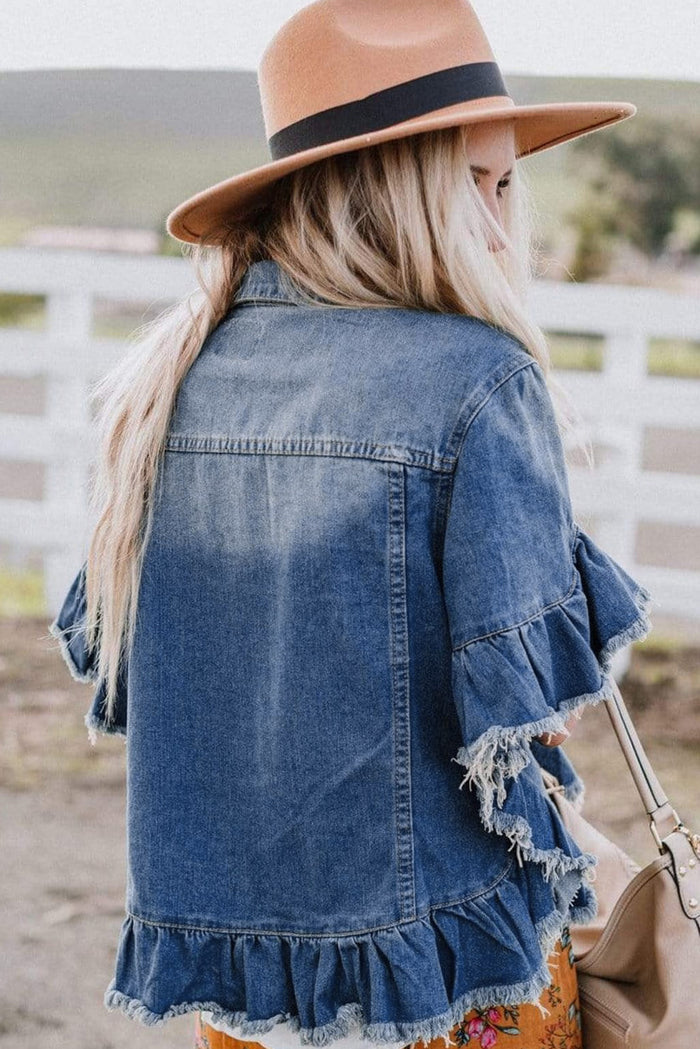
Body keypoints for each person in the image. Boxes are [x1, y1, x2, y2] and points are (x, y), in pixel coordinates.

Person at [47, 2, 653, 1049]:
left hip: (245, 999)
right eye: (481, 181)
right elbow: (528, 725)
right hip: (449, 980)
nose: (507, 222)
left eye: (511, 182)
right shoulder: (476, 380)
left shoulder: (169, 382)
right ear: (392, 187)